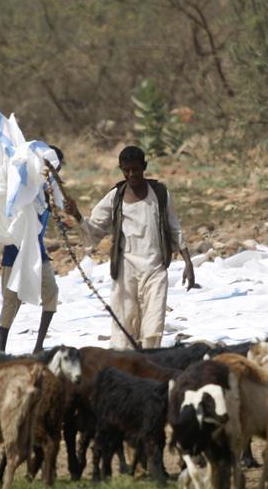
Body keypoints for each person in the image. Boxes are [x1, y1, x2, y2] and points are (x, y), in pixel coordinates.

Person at [64, 145, 196, 349]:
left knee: (153, 326)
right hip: (126, 270)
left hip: (155, 268)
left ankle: (149, 365)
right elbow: (94, 228)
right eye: (126, 170)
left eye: (135, 169)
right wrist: (77, 215)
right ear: (121, 169)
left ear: (144, 166)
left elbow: (174, 227)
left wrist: (188, 262)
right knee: (124, 326)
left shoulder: (160, 194)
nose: (131, 174)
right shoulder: (115, 197)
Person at [0, 145, 64, 353]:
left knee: (51, 293)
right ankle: (1, 350)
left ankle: (38, 346)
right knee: (10, 302)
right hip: (14, 254)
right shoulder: (23, 190)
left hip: (38, 253)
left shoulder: (47, 194)